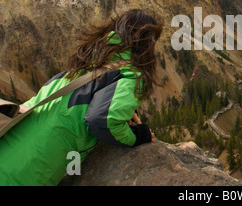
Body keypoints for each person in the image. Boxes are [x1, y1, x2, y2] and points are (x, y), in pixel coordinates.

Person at [0, 9, 163, 186]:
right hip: (26, 173)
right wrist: (138, 136)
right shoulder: (131, 74)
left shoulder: (83, 63)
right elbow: (102, 120)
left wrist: (122, 107)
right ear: (147, 44)